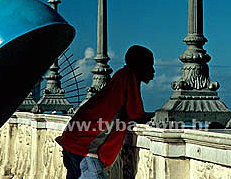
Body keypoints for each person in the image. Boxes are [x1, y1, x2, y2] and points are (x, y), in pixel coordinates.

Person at [56, 45, 156, 179]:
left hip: (73, 141)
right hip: (87, 150)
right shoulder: (129, 77)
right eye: (149, 66)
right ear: (139, 66)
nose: (153, 71)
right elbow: (135, 113)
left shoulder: (120, 75)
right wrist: (157, 116)